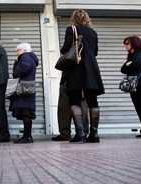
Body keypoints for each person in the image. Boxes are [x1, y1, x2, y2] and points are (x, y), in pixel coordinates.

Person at [60, 9, 104, 143]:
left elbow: (66, 49)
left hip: (76, 69)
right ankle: (94, 134)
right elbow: (95, 52)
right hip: (91, 69)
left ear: (74, 18)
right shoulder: (93, 32)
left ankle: (80, 133)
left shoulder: (71, 29)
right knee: (92, 100)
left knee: (74, 99)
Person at [9, 43, 38, 144]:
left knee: (26, 112)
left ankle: (27, 137)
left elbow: (25, 67)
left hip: (24, 87)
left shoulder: (25, 57)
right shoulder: (30, 57)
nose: (17, 53)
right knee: (27, 112)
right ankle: (27, 136)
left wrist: (15, 73)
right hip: (28, 86)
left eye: (18, 50)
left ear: (24, 50)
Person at [51, 73, 89, 141]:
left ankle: (83, 132)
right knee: (63, 107)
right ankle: (64, 133)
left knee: (81, 105)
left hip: (79, 79)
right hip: (67, 78)